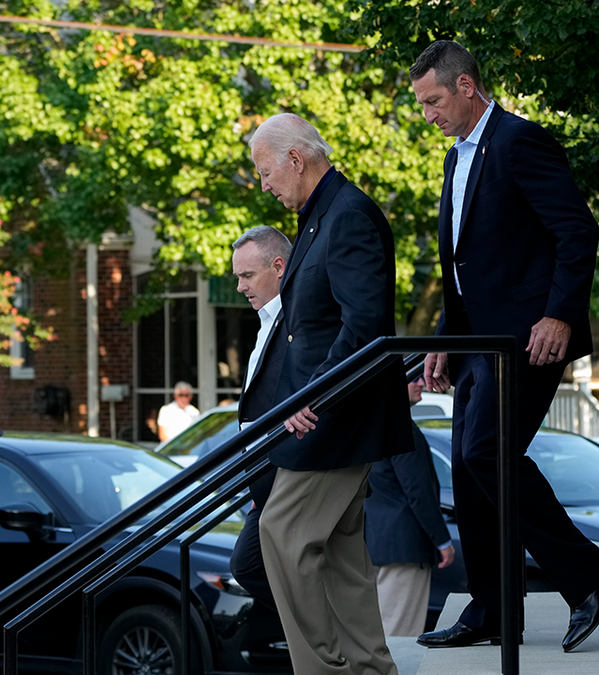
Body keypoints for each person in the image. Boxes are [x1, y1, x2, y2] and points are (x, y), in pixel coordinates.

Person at [408, 41, 599, 653]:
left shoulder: (520, 142)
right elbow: (460, 261)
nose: (428, 114)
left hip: (529, 340)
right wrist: (444, 342)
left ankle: (589, 579)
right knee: (473, 475)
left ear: (467, 86)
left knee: (488, 452)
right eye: (422, 104)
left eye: (434, 100)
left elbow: (576, 230)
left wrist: (558, 313)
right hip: (477, 343)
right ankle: (492, 610)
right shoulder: (458, 158)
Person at [249, 112, 413, 675]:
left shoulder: (349, 215)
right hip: (327, 416)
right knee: (343, 555)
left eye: (266, 171)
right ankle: (370, 668)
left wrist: (311, 397)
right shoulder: (323, 214)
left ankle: (323, 670)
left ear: (296, 159)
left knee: (279, 533)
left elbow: (363, 325)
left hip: (333, 418)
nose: (264, 185)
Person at [228, 225, 292, 613]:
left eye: (247, 276)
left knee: (247, 563)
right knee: (250, 565)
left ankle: (320, 642)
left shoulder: (293, 321)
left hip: (284, 472)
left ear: (279, 266)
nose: (240, 287)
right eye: (238, 277)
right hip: (264, 482)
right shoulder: (267, 322)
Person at [364, 380, 456, 637]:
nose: (422, 384)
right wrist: (442, 541)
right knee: (399, 634)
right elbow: (418, 491)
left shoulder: (374, 426)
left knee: (383, 629)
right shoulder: (401, 428)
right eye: (413, 378)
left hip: (377, 544)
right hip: (405, 548)